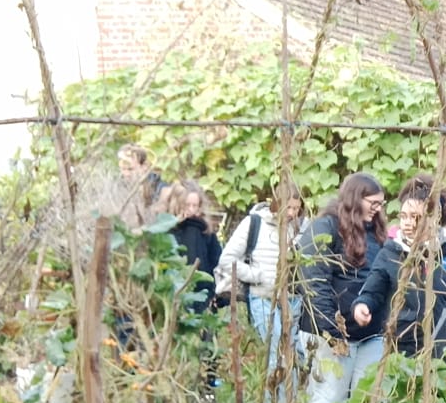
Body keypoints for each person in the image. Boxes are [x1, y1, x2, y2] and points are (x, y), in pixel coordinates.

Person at [296, 173, 389, 403]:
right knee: (329, 401)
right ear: (355, 199)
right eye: (373, 203)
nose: (378, 210)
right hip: (330, 336)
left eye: (381, 204)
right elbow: (314, 285)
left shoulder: (377, 234)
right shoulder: (324, 228)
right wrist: (333, 334)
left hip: (370, 336)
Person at [353, 175, 446, 358]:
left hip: (442, 348)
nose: (408, 223)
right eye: (403, 216)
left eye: (415, 217)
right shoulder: (391, 252)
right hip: (401, 347)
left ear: (434, 218)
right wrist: (362, 305)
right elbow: (372, 290)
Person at [217, 192, 307, 371]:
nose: (292, 213)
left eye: (296, 209)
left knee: (295, 358)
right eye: (288, 207)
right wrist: (256, 275)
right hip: (263, 299)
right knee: (275, 356)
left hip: (293, 301)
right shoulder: (254, 223)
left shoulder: (302, 228)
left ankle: (291, 390)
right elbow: (227, 260)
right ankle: (274, 390)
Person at [162, 182, 222, 312]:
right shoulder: (167, 229)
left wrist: (214, 292)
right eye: (187, 205)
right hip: (173, 292)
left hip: (203, 293)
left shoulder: (205, 232)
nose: (191, 210)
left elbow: (216, 261)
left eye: (194, 206)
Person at [119, 144, 166, 215]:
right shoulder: (119, 185)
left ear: (145, 166)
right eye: (123, 169)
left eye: (130, 169)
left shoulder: (160, 188)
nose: (126, 174)